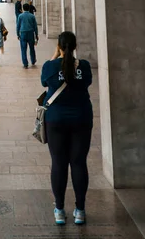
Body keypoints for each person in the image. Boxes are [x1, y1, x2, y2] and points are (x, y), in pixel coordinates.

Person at [41, 31, 93, 226]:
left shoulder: (50, 67)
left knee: (59, 163)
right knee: (79, 163)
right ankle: (80, 210)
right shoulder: (85, 67)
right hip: (82, 118)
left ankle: (60, 210)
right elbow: (86, 83)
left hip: (55, 120)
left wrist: (55, 57)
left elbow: (45, 82)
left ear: (59, 47)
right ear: (75, 46)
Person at [16, 3, 38, 68]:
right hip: (31, 33)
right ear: (28, 8)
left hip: (23, 33)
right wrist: (36, 34)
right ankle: (33, 60)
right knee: (32, 48)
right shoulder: (32, 16)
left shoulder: (20, 16)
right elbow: (35, 26)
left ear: (23, 8)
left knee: (23, 49)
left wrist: (17, 34)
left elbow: (18, 26)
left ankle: (25, 63)